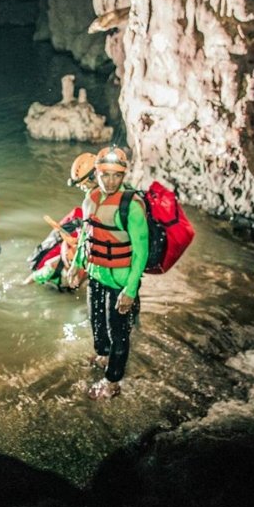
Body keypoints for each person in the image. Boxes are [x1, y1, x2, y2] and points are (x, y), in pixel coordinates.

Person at [68, 146, 148, 400]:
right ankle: (103, 355)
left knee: (118, 332)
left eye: (117, 175)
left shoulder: (132, 206)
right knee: (97, 323)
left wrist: (131, 290)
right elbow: (85, 234)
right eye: (106, 175)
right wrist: (76, 265)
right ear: (97, 173)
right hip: (96, 275)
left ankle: (112, 381)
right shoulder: (90, 198)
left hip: (121, 281)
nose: (111, 181)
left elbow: (140, 252)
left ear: (123, 175)